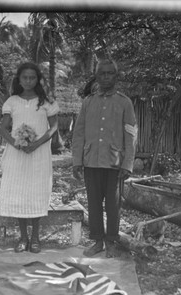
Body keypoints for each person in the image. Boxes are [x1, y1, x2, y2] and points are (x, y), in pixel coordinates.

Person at [72, 59, 137, 258]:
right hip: (91, 160)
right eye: (103, 74)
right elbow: (79, 133)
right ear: (97, 76)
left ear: (116, 77)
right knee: (93, 203)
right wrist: (77, 160)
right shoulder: (88, 102)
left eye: (110, 73)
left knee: (113, 205)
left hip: (114, 162)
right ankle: (98, 241)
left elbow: (131, 134)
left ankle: (111, 242)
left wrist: (128, 164)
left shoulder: (124, 102)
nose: (106, 77)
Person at [0, 62, 59, 253]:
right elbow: (3, 128)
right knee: (19, 194)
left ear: (37, 79)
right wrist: (16, 143)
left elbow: (54, 127)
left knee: (35, 193)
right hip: (17, 155)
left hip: (38, 154)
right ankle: (22, 237)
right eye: (25, 77)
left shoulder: (46, 102)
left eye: (32, 77)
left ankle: (35, 237)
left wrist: (36, 143)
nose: (28, 81)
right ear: (19, 79)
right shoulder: (12, 101)